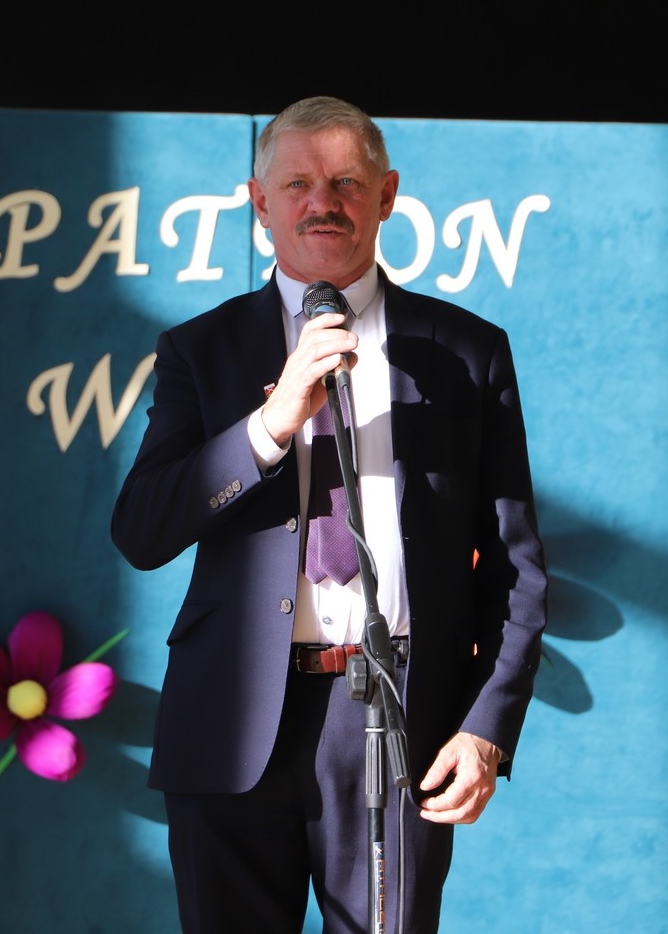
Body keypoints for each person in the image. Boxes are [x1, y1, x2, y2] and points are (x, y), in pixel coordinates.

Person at [112, 96, 548, 932]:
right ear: (259, 203)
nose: (324, 202)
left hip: (398, 717)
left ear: (386, 196)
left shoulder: (468, 351)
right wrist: (271, 424)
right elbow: (142, 530)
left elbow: (516, 570)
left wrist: (486, 728)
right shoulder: (199, 350)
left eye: (347, 182)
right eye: (299, 184)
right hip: (230, 724)